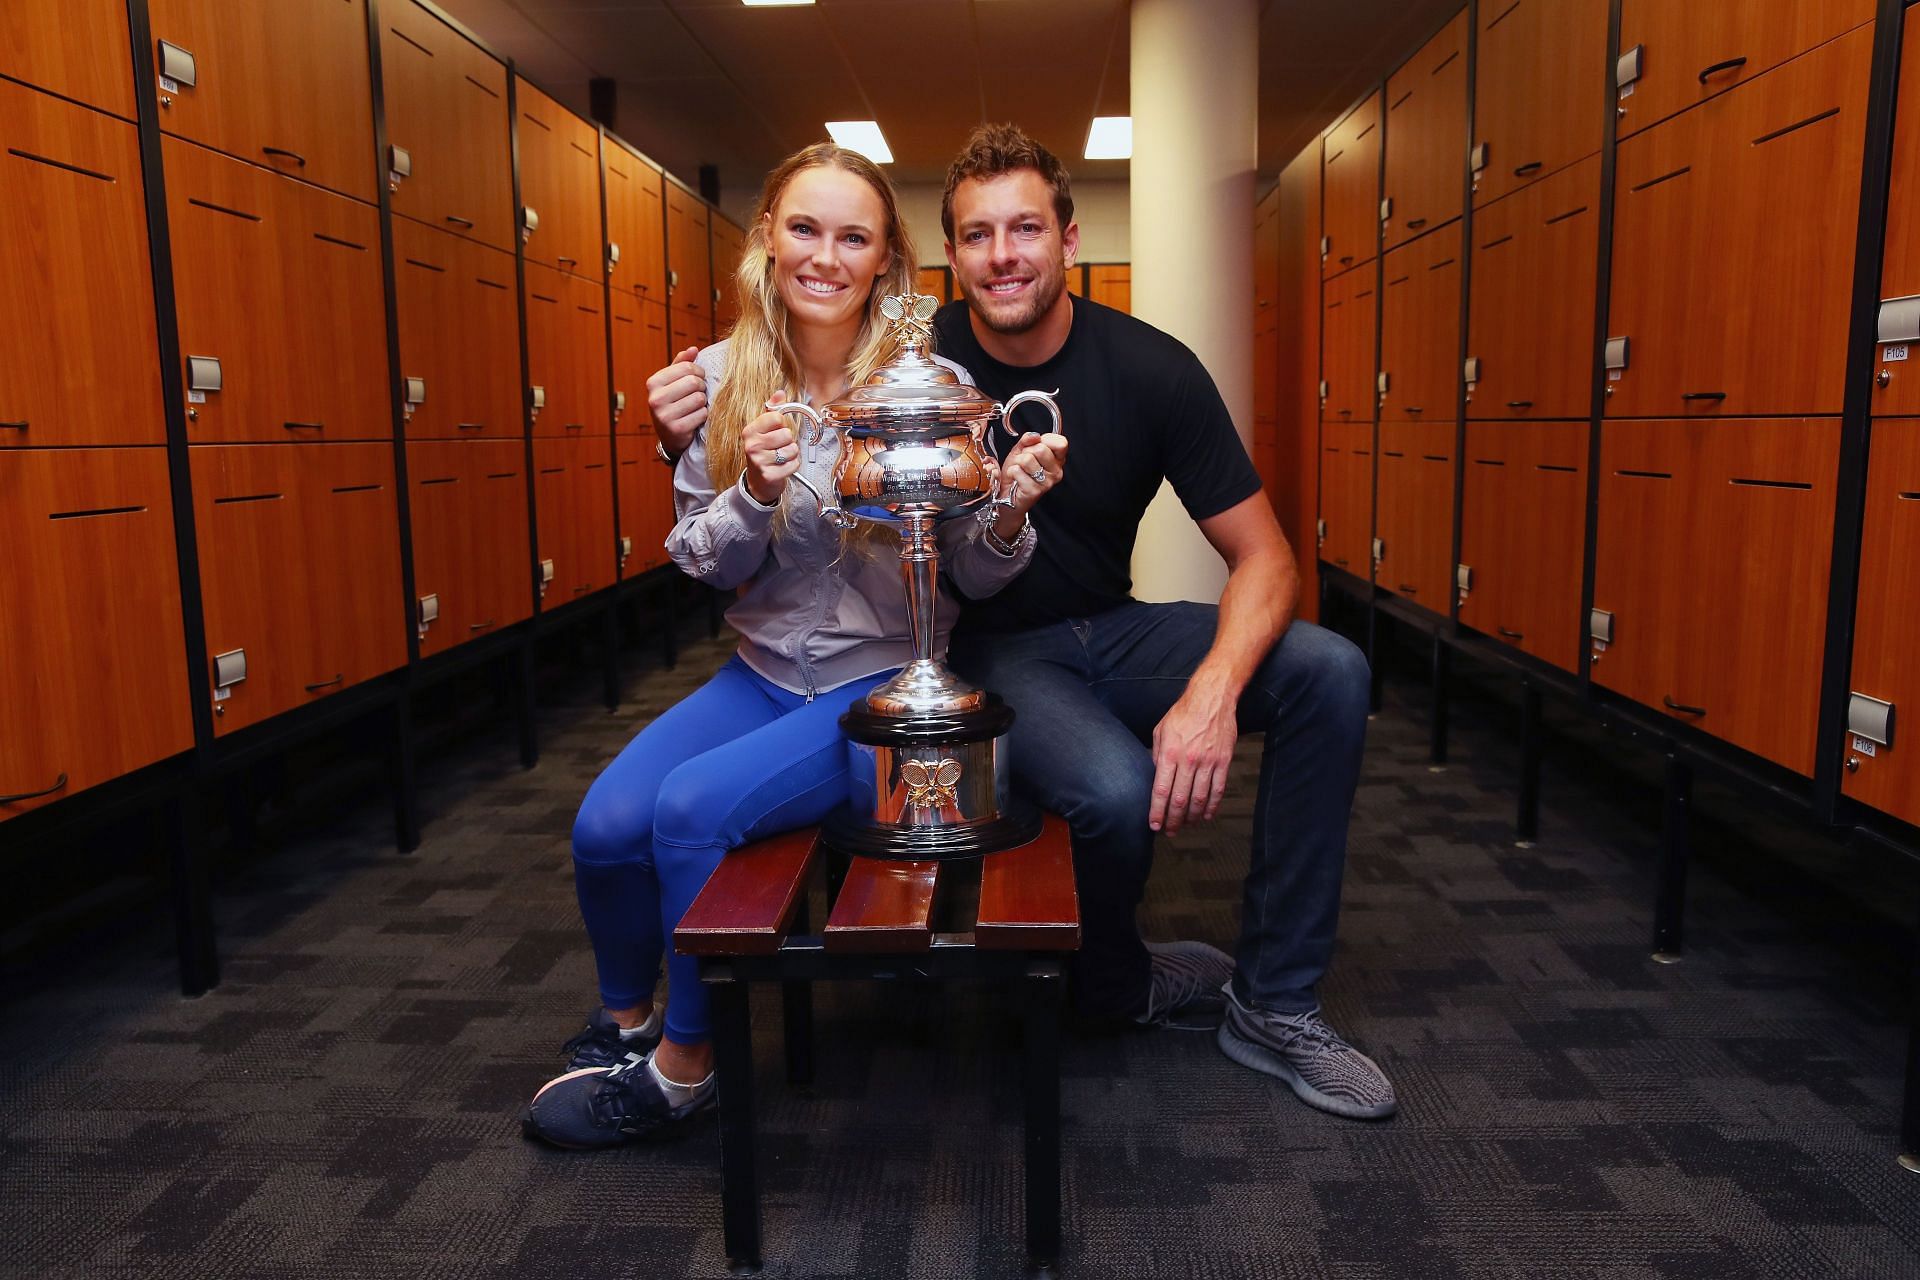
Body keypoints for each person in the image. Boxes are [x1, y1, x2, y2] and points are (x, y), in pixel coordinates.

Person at [650, 126, 1391, 1123]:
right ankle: (1116, 976)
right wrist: (679, 434)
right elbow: (787, 377)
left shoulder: (1152, 367)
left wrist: (1209, 696)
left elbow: (1268, 557)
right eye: (977, 235)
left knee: (1332, 670)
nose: (1004, 255)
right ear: (948, 258)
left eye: (1026, 229)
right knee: (1114, 789)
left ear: (1069, 238)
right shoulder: (908, 350)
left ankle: (1275, 1001)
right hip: (988, 648)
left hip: (1115, 632)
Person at [523, 142, 1059, 1149]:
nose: (824, 255)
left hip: (878, 692)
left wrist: (1006, 514)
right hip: (760, 674)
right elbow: (705, 565)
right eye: (804, 228)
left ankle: (689, 1065)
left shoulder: (926, 379)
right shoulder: (713, 381)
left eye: (852, 236)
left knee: (686, 812)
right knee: (603, 825)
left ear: (883, 259)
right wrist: (753, 491)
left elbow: (972, 576)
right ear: (767, 237)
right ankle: (627, 1021)